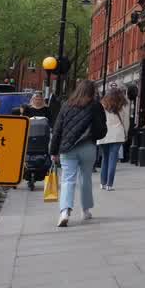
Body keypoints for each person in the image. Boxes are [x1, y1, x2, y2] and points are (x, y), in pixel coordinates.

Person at [49, 81, 106, 227]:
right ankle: (85, 211)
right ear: (92, 91)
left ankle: (64, 212)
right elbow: (102, 130)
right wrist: (93, 135)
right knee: (85, 178)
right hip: (88, 147)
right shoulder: (95, 106)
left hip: (67, 149)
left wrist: (53, 151)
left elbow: (57, 129)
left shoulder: (66, 105)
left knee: (67, 179)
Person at [97, 87, 131, 191]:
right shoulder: (123, 105)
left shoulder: (102, 105)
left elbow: (98, 120)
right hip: (117, 134)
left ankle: (102, 183)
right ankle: (109, 185)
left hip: (104, 134)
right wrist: (126, 132)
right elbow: (126, 121)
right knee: (113, 160)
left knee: (105, 159)